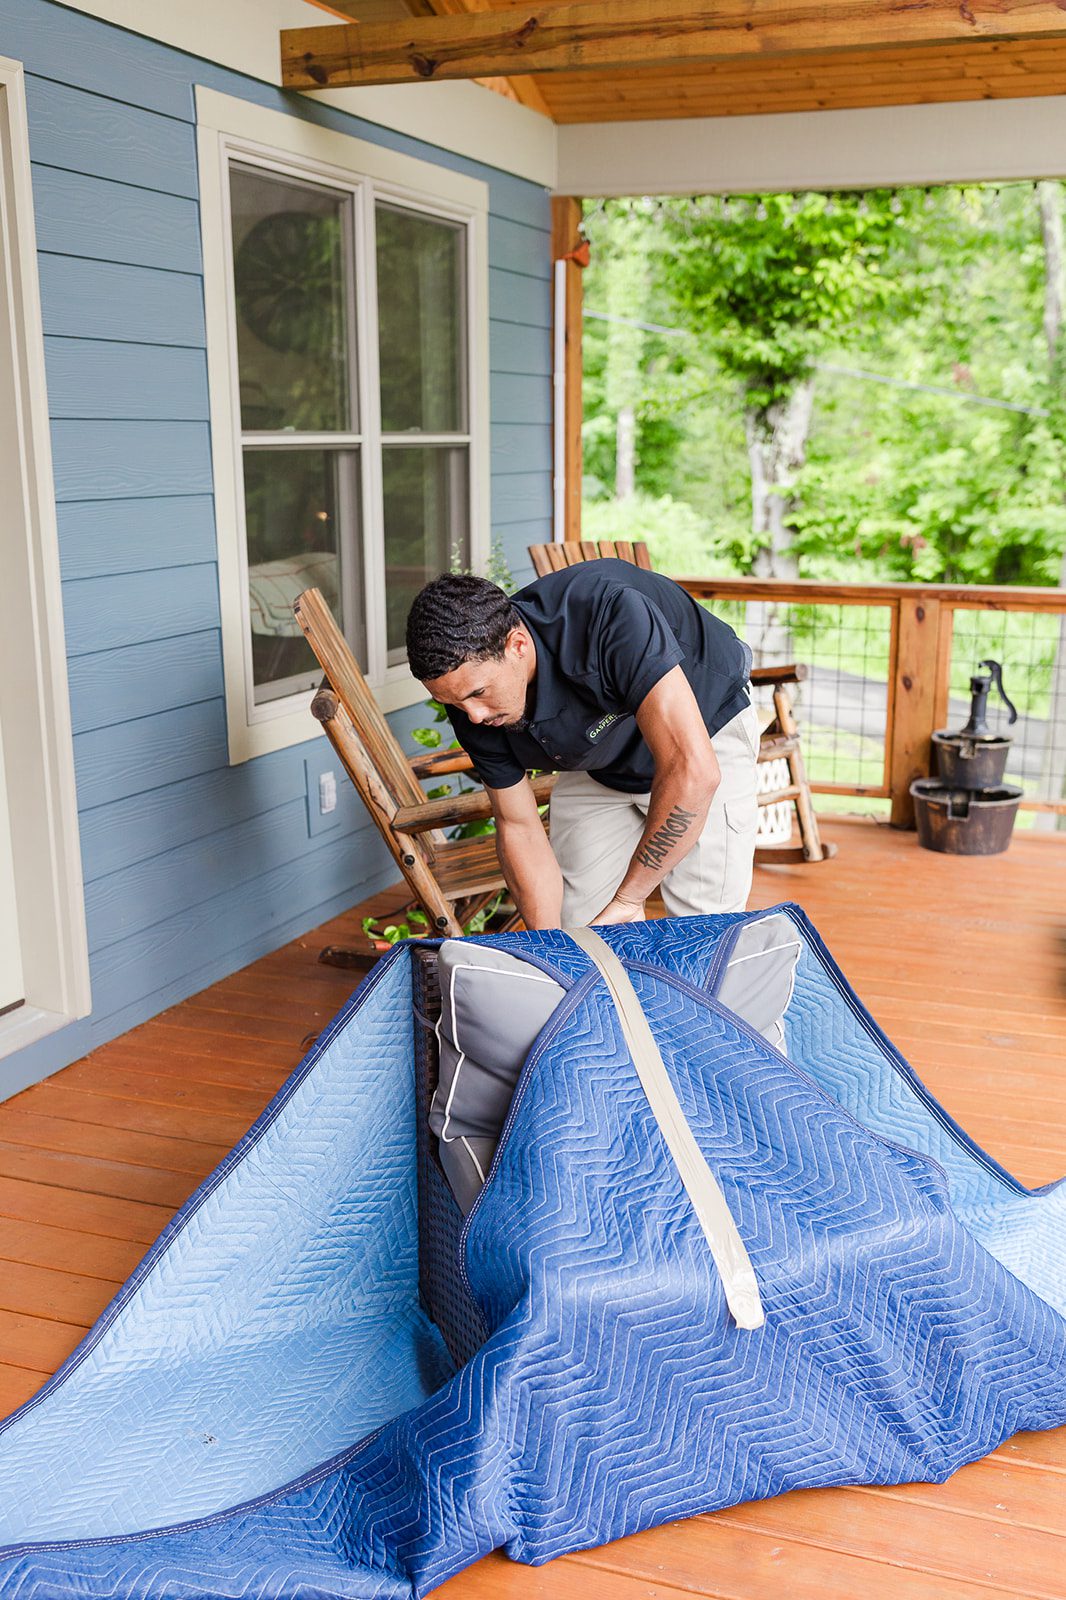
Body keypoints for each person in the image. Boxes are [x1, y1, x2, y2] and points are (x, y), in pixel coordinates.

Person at [405, 559, 759, 929]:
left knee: (701, 929)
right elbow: (518, 826)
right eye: (453, 703)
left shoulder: (612, 614)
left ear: (518, 645)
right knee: (577, 926)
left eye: (478, 693)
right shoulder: (469, 699)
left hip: (704, 736)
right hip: (603, 762)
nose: (473, 716)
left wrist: (630, 898)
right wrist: (548, 948)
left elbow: (694, 773)